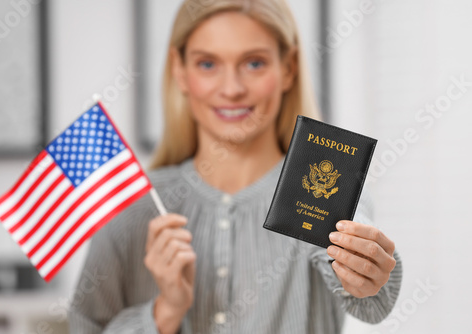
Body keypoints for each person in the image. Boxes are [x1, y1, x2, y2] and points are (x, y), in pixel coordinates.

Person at [69, 0, 402, 333]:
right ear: (179, 70)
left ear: (288, 68)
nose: (232, 89)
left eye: (254, 63)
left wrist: (366, 270)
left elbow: (371, 295)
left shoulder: (318, 191)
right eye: (207, 64)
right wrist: (164, 312)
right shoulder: (133, 204)